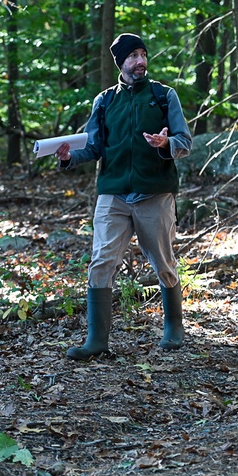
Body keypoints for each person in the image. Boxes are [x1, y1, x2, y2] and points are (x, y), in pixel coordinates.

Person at [56, 33, 193, 359]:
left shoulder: (163, 96)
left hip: (154, 193)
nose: (141, 61)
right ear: (120, 62)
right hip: (113, 194)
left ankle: (174, 326)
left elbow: (184, 142)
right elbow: (91, 147)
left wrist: (165, 144)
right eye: (133, 56)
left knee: (163, 264)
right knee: (101, 262)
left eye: (143, 54)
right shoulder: (104, 101)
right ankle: (97, 341)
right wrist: (66, 157)